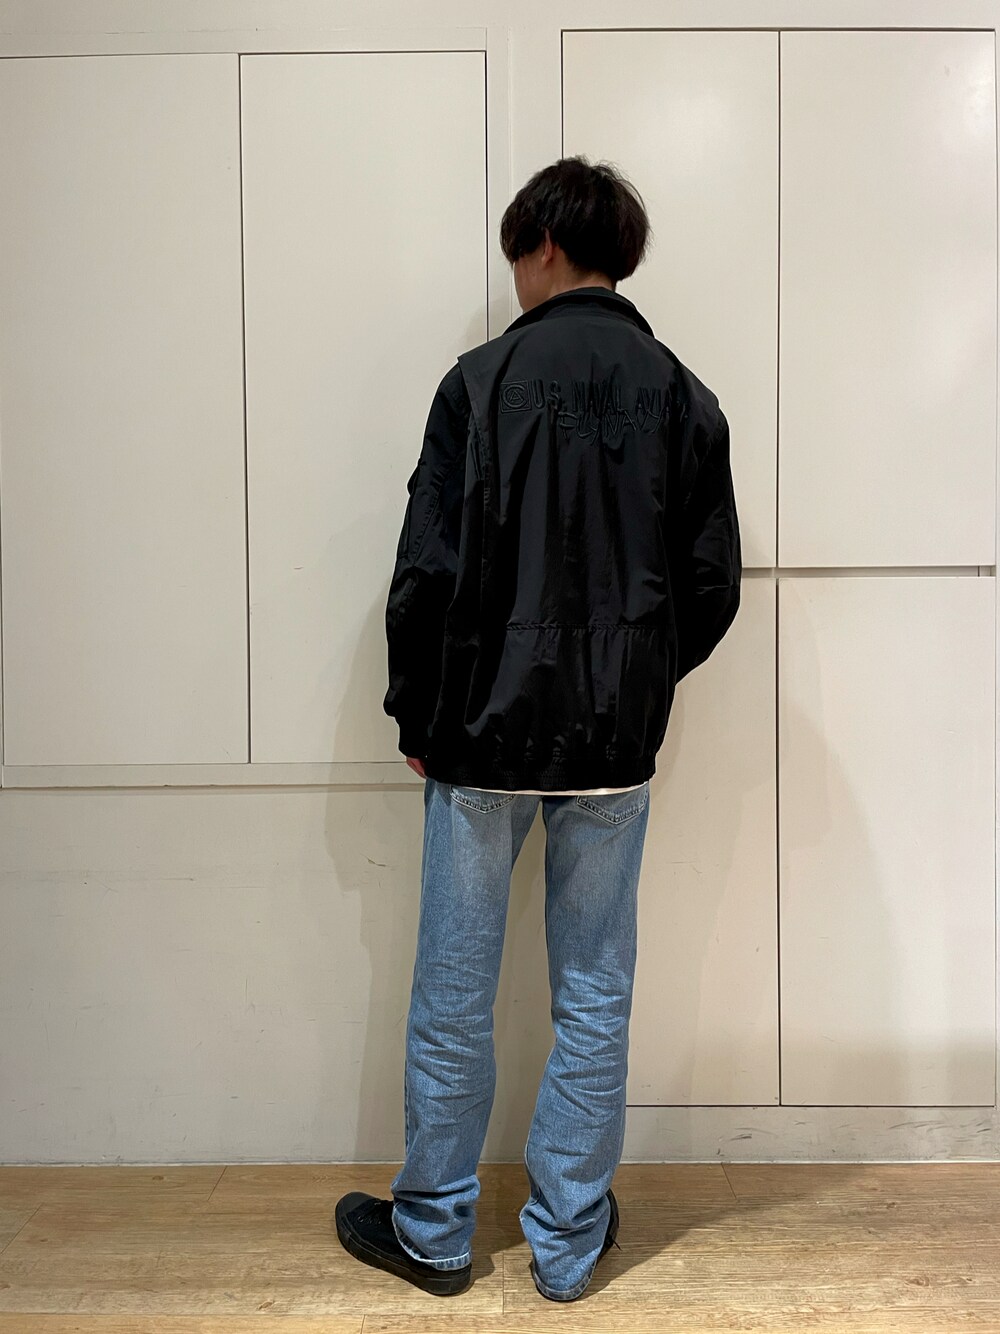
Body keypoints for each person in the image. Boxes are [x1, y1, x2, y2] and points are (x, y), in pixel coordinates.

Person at [335, 155, 742, 1302]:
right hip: (611, 748)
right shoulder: (682, 394)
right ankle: (566, 1242)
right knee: (594, 992)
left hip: (479, 737)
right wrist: (637, 680)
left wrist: (418, 710)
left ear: (546, 245)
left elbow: (425, 572)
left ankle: (434, 1231)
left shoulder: (479, 381)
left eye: (518, 252)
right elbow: (710, 584)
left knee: (453, 991)